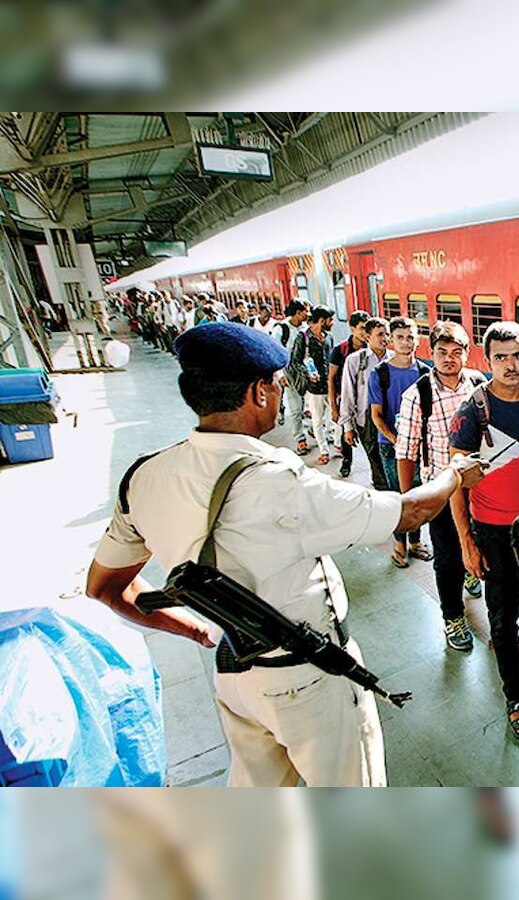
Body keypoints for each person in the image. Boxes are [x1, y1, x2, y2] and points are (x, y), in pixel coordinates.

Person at [85, 322, 486, 787]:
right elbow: (411, 511)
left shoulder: (145, 476)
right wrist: (455, 473)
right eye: (275, 385)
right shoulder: (279, 482)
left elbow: (104, 587)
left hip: (234, 678)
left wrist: (194, 629)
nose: (279, 394)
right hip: (308, 683)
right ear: (258, 392)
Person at [449, 321, 519, 748]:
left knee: (518, 602)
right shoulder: (472, 412)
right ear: (487, 360)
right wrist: (466, 541)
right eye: (501, 357)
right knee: (501, 611)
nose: (511, 365)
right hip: (492, 529)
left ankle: (507, 638)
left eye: (518, 355)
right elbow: (456, 480)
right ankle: (518, 698)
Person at [394, 320, 487, 652]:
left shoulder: (478, 385)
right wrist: (409, 506)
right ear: (430, 352)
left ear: (467, 353)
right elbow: (405, 453)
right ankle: (452, 616)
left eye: (456, 351)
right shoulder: (417, 395)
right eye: (442, 352)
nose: (449, 358)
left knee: (479, 542)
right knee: (446, 555)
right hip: (443, 491)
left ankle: (471, 569)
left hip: (478, 488)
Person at [368, 317, 432, 568]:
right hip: (390, 445)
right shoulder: (380, 373)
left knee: (417, 494)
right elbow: (376, 416)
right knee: (398, 497)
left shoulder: (425, 373)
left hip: (418, 447)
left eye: (410, 337)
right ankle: (399, 544)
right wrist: (399, 442)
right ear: (391, 340)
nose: (406, 342)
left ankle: (416, 542)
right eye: (400, 337)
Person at [339, 316, 391, 491]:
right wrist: (348, 427)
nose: (385, 338)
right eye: (380, 334)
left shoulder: (394, 359)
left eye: (387, 334)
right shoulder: (355, 360)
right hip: (366, 421)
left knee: (392, 461)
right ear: (368, 337)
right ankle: (383, 495)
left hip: (391, 419)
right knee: (376, 462)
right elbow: (347, 394)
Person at [287, 306, 336, 465]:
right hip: (314, 388)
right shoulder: (303, 337)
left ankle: (336, 442)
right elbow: (295, 361)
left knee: (334, 418)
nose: (332, 323)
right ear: (322, 321)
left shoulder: (328, 337)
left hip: (330, 385)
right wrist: (308, 374)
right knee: (317, 420)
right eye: (330, 320)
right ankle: (324, 450)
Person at [329, 311, 370, 478]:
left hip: (364, 400)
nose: (364, 332)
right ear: (352, 329)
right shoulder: (339, 351)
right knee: (346, 432)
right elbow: (331, 379)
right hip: (344, 398)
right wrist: (333, 407)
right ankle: (347, 462)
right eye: (361, 328)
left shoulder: (371, 349)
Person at [273, 300, 310, 444]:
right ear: (298, 313)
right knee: (295, 409)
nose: (308, 314)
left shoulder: (306, 328)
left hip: (305, 370)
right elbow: (276, 354)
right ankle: (300, 438)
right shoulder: (281, 329)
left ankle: (316, 429)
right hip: (289, 372)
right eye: (306, 311)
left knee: (313, 406)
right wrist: (280, 375)